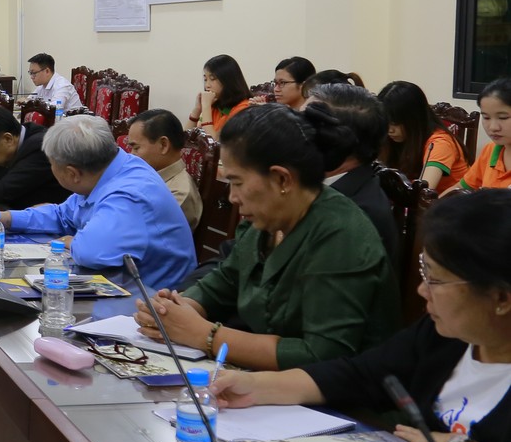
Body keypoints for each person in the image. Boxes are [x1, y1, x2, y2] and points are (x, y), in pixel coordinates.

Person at [211, 190, 511, 442]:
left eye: (436, 279)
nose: (422, 290)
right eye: (424, 272)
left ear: (500, 298)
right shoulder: (446, 337)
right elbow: (361, 375)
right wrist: (256, 387)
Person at [134, 104, 397, 370]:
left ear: (282, 180)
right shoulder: (270, 218)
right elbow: (226, 279)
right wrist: (179, 310)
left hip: (340, 403)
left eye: (237, 183)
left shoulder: (340, 233)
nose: (232, 197)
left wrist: (204, 335)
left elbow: (322, 355)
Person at [0, 114, 195, 290]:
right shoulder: (106, 171)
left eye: (52, 164)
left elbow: (92, 252)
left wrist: (73, 241)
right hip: (120, 286)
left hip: (153, 301)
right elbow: (63, 214)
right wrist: (8, 218)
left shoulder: (128, 193)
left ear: (72, 173)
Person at [306, 82, 401, 266]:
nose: (295, 130)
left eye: (304, 124)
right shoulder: (320, 183)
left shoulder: (358, 214)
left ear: (337, 140)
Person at [376, 80, 468, 191]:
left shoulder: (439, 143)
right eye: (386, 122)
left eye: (395, 123)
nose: (390, 130)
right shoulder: (397, 139)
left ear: (414, 119)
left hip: (446, 205)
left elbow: (423, 193)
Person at [123, 109, 200, 228]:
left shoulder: (178, 194)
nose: (131, 155)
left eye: (136, 148)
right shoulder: (147, 175)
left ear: (163, 145)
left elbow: (134, 233)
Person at [457, 77, 511, 192]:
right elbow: (461, 189)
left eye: (503, 117)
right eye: (486, 117)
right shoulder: (491, 150)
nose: (493, 127)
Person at [188, 53, 252, 134]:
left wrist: (206, 106)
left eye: (212, 79)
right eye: (205, 79)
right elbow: (184, 140)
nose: (207, 85)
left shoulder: (243, 109)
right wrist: (197, 110)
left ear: (228, 80)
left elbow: (213, 143)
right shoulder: (215, 105)